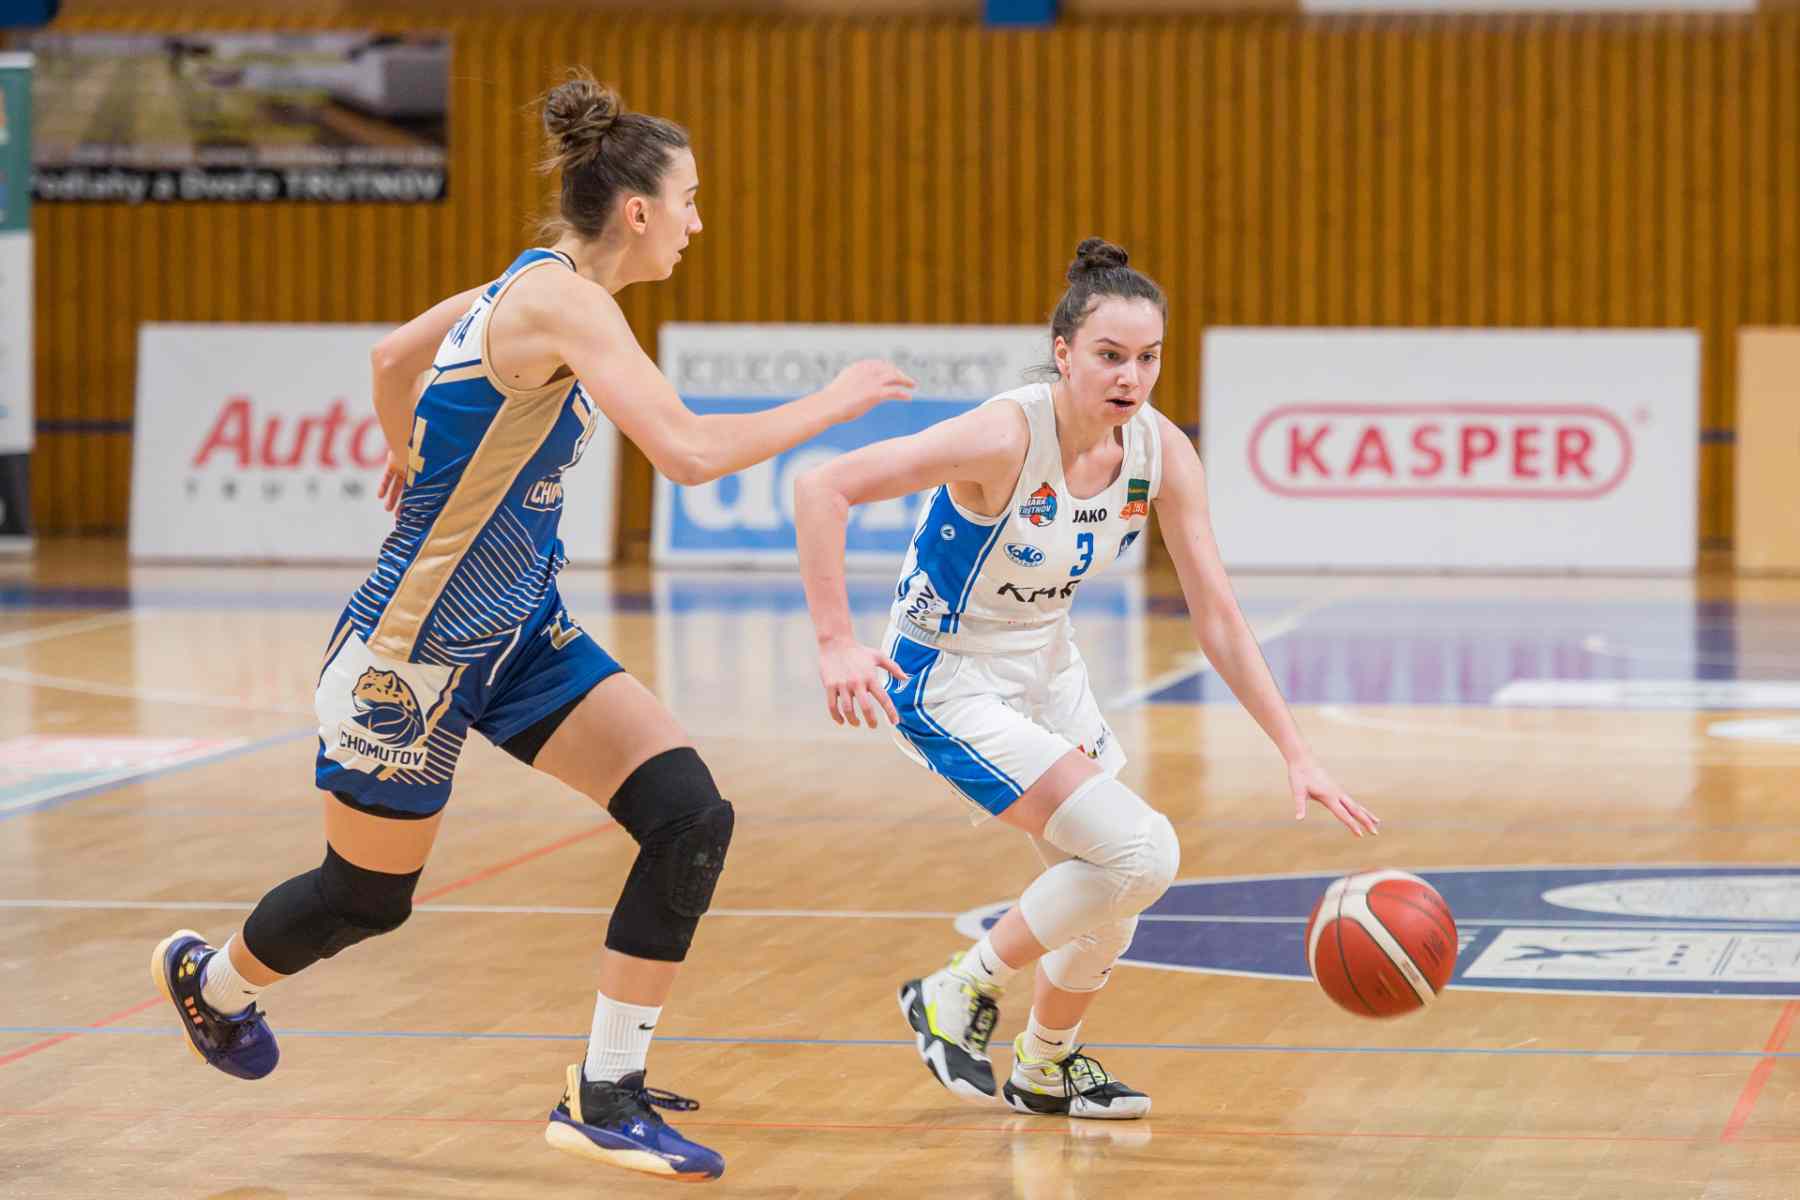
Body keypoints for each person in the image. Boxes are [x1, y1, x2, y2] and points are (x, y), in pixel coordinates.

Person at [150, 72, 914, 1182]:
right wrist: (839, 400)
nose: (698, 221)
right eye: (690, 199)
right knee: (365, 900)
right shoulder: (565, 304)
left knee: (688, 816)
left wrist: (408, 451)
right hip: (411, 657)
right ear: (638, 210)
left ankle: (606, 1090)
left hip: (518, 634)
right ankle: (210, 984)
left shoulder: (533, 283)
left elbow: (391, 358)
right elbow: (689, 454)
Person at [791, 237, 1378, 1120]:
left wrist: (1297, 752)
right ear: (1062, 353)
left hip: (1048, 667)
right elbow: (822, 487)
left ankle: (1045, 1064)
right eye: (1109, 355)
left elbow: (1218, 616)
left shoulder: (1159, 449)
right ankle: (958, 988)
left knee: (1115, 887)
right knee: (1143, 851)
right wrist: (836, 641)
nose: (1130, 377)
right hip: (947, 676)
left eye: (1148, 357)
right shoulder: (1004, 435)